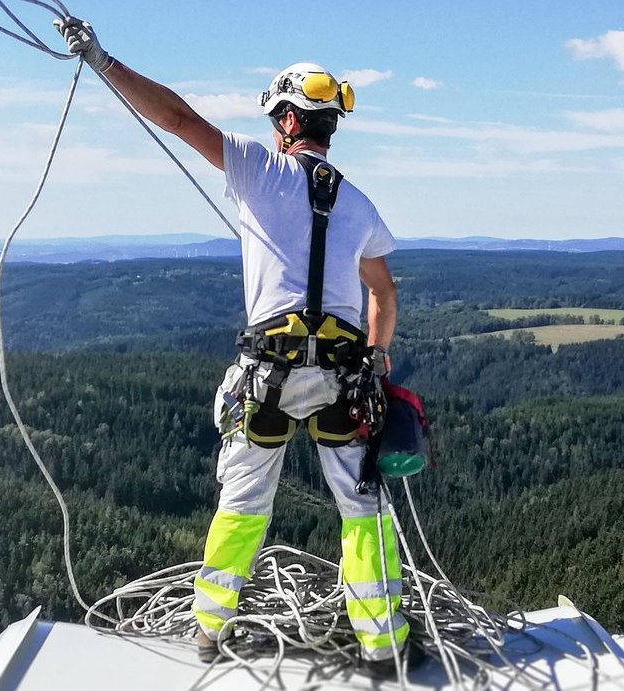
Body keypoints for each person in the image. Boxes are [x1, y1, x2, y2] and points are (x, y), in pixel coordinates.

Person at [55, 16, 413, 676]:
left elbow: (178, 119)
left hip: (268, 374)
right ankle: (381, 640)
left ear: (284, 120)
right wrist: (378, 360)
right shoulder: (359, 204)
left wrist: (106, 63)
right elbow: (382, 296)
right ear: (329, 126)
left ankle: (208, 630)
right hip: (341, 376)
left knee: (243, 506)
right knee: (363, 511)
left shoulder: (259, 168)